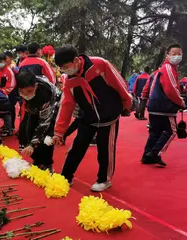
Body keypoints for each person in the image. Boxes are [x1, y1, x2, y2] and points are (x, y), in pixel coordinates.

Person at [52, 45, 132, 192]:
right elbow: (67, 104)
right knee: (77, 147)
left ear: (76, 60)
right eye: (61, 67)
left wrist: (127, 103)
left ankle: (104, 179)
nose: (64, 69)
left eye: (65, 66)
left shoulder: (100, 65)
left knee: (105, 149)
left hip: (109, 115)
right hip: (87, 116)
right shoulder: (68, 80)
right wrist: (59, 131)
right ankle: (65, 176)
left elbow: (119, 83)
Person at [141, 44, 185, 166]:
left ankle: (146, 156)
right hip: (165, 106)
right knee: (172, 131)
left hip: (154, 105)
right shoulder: (168, 68)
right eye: (174, 54)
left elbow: (149, 87)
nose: (177, 56)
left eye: (179, 54)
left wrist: (147, 100)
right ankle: (155, 153)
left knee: (155, 132)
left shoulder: (161, 70)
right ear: (167, 55)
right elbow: (171, 90)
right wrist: (181, 102)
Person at [16, 71, 61, 172]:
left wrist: (32, 145)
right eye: (23, 92)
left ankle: (47, 163)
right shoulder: (19, 88)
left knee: (46, 138)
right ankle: (37, 160)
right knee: (29, 131)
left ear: (35, 86)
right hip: (34, 107)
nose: (26, 94)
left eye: (29, 91)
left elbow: (44, 124)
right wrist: (30, 143)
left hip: (53, 107)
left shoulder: (46, 93)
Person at [0, 53, 17, 136]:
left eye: (1, 61)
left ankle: (9, 128)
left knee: (9, 111)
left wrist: (3, 93)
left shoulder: (9, 71)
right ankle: (6, 126)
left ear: (5, 61)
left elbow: (11, 85)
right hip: (0, 94)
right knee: (2, 111)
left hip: (9, 94)